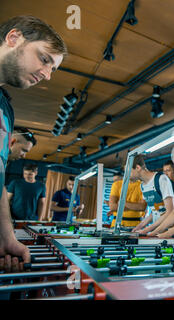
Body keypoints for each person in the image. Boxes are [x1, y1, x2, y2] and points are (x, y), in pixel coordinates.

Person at [0, 15, 66, 272]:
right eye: (44, 59)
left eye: (53, 68)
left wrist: (6, 237)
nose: (48, 75)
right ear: (14, 38)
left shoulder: (6, 109)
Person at [130, 155, 174, 233]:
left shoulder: (161, 179)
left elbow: (170, 211)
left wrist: (147, 230)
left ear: (138, 168)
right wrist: (140, 226)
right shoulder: (142, 186)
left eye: (129, 171)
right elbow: (156, 212)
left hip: (169, 232)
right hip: (156, 232)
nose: (127, 175)